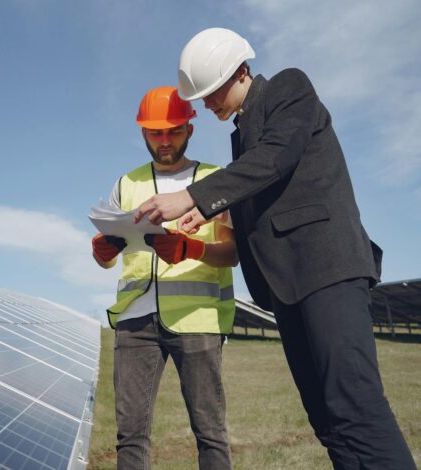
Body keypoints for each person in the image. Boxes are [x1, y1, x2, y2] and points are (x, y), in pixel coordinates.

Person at [134, 28, 415, 469]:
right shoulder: (242, 139)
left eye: (211, 92)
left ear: (241, 72)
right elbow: (260, 187)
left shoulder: (289, 87)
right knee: (326, 418)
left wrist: (195, 196)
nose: (207, 105)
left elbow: (274, 158)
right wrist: (210, 216)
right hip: (286, 286)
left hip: (327, 269)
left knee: (354, 405)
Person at [92, 85, 238, 470]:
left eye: (173, 131)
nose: (165, 141)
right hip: (134, 321)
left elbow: (235, 254)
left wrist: (192, 249)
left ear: (190, 129)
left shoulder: (215, 179)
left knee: (210, 433)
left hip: (198, 319)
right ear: (143, 133)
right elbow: (110, 256)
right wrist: (101, 254)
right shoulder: (126, 184)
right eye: (155, 133)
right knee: (130, 437)